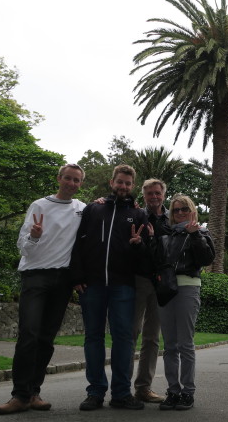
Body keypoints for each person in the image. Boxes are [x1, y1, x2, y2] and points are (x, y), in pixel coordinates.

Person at [0, 163, 86, 415]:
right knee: (29, 335)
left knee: (46, 339)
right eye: (68, 178)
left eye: (76, 180)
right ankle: (19, 395)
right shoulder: (39, 205)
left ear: (80, 184)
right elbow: (22, 247)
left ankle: (34, 393)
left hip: (63, 280)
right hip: (35, 277)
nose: (71, 183)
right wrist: (34, 235)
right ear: (59, 179)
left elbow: (100, 215)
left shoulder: (81, 209)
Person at [70, 164, 149, 411]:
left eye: (127, 183)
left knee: (123, 339)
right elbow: (78, 243)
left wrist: (138, 245)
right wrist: (77, 276)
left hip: (123, 286)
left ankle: (121, 394)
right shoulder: (94, 209)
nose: (123, 187)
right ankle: (95, 392)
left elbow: (146, 257)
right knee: (93, 337)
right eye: (120, 182)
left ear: (132, 186)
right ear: (112, 181)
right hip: (92, 285)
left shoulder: (138, 215)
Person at [156, 194, 215, 411]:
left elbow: (207, 259)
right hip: (166, 290)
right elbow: (157, 261)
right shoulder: (166, 235)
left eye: (184, 209)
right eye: (176, 210)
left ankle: (188, 392)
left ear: (192, 211)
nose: (180, 213)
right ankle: (173, 391)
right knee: (169, 345)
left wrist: (195, 235)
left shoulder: (201, 232)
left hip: (188, 288)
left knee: (185, 344)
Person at [129, 178, 172, 403]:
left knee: (152, 337)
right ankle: (122, 389)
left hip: (160, 283)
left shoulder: (171, 219)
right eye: (149, 194)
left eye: (157, 193)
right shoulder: (137, 216)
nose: (154, 197)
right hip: (139, 280)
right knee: (131, 333)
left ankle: (143, 387)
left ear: (163, 194)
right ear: (144, 196)